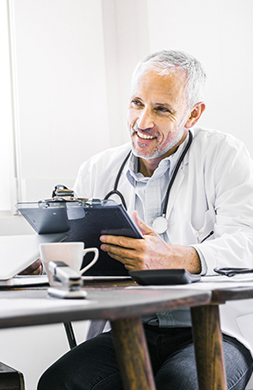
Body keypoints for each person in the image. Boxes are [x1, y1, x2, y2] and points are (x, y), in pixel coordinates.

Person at [38, 50, 253, 390]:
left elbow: (247, 244)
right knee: (61, 382)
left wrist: (177, 257)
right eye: (137, 103)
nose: (142, 122)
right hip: (129, 327)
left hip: (213, 328)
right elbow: (70, 245)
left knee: (181, 384)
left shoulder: (224, 156)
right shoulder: (97, 169)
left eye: (161, 109)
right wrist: (44, 260)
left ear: (193, 114)